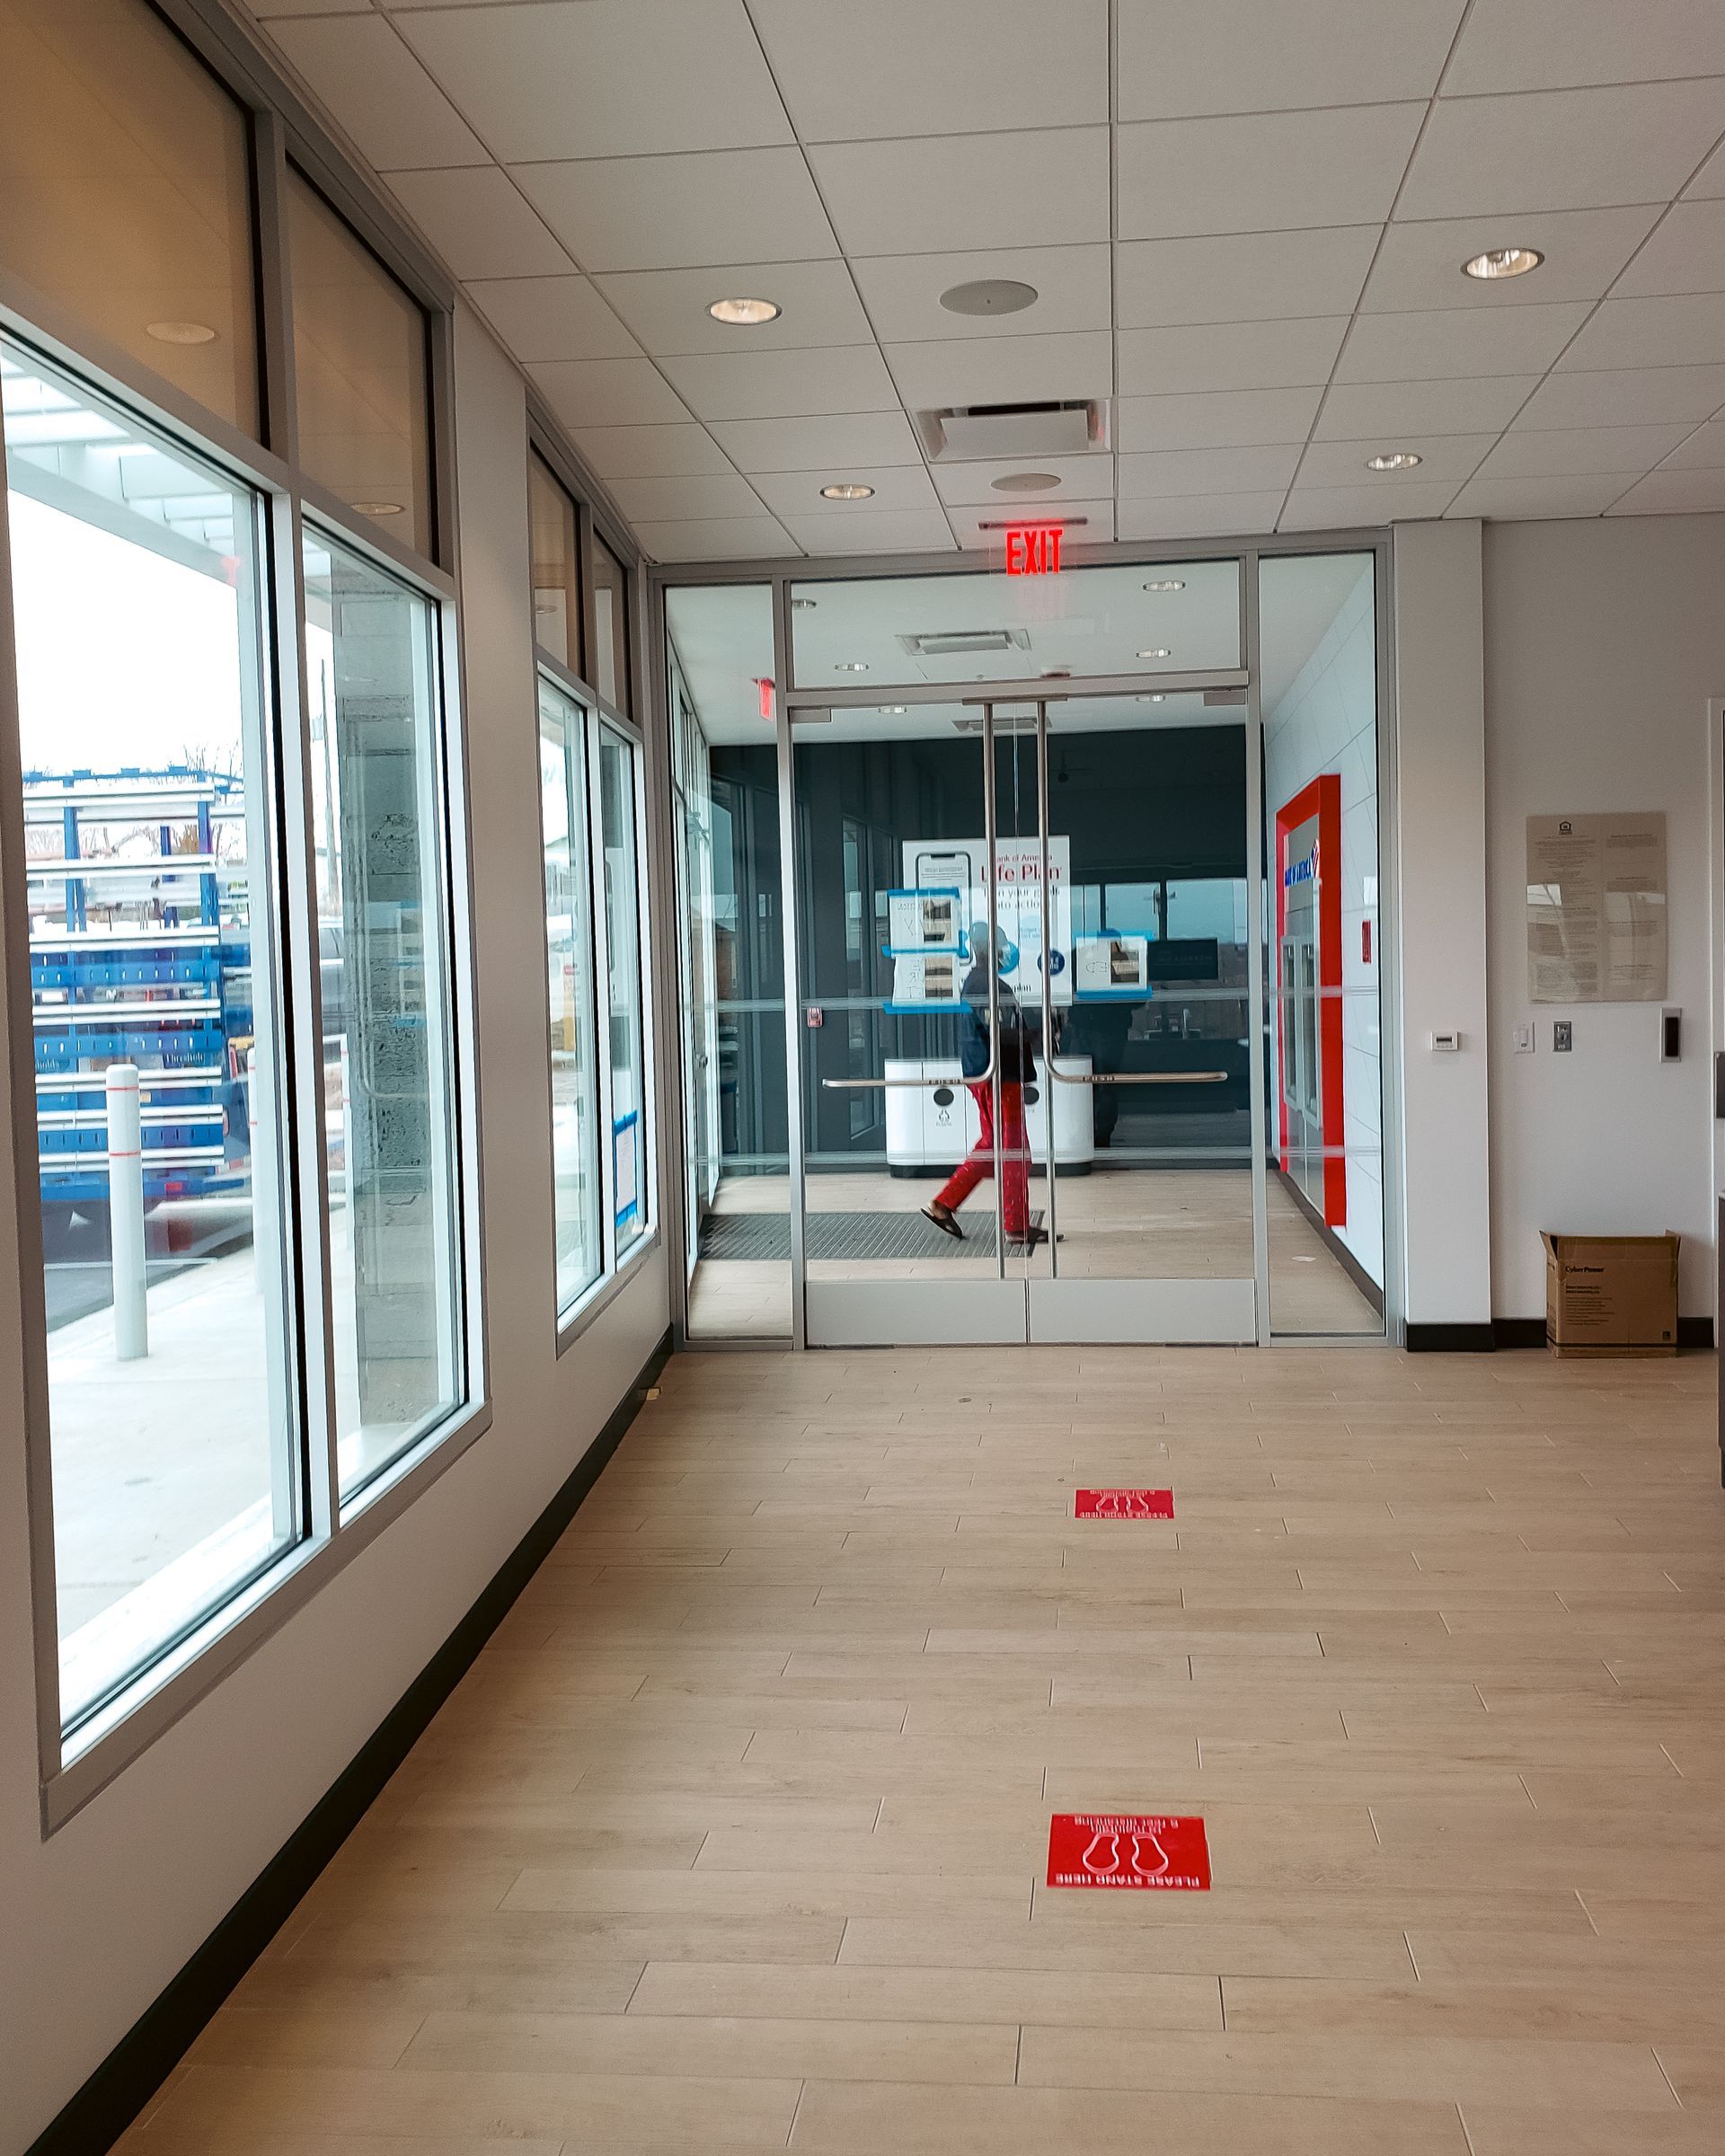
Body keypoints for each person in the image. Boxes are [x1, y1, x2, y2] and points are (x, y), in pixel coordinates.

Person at [922, 920, 1045, 1247]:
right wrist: (1040, 1032)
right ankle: (1015, 1226)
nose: (1005, 952)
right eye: (1001, 947)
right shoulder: (985, 985)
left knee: (995, 1145)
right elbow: (1000, 1033)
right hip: (999, 1078)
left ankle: (945, 1204)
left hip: (990, 1075)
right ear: (989, 950)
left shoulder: (980, 983)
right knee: (1014, 1151)